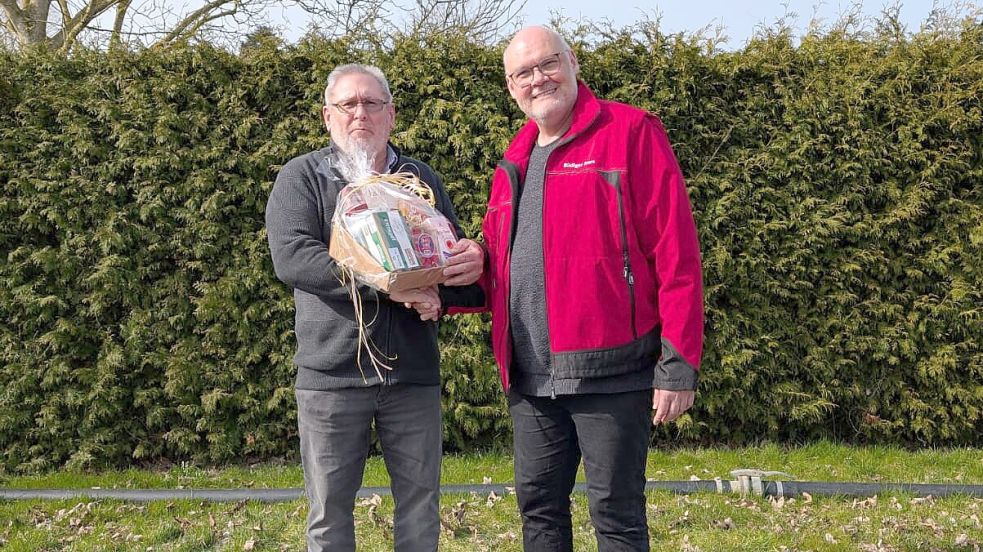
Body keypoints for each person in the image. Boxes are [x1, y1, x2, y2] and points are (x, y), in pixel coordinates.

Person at [478, 26, 705, 551]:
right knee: (538, 511)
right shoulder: (513, 161)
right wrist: (447, 280)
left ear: (573, 62)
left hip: (614, 372)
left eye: (548, 63)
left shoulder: (631, 131)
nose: (538, 79)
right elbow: (499, 268)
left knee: (615, 514)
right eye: (523, 73)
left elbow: (677, 252)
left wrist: (678, 363)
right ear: (511, 87)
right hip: (532, 379)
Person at [265, 63, 484, 552]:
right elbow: (295, 257)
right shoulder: (303, 177)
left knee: (420, 508)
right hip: (332, 376)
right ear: (328, 116)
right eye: (347, 104)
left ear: (391, 114)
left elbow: (444, 254)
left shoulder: (418, 179)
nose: (359, 113)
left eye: (371, 103)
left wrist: (465, 267)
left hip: (412, 373)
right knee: (329, 514)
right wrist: (388, 287)